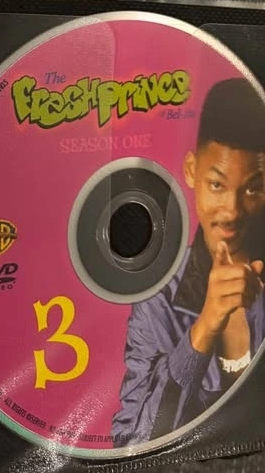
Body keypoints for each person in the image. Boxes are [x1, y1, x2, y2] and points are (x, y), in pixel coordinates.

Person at [112, 78, 265, 446]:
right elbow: (133, 444)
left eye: (252, 188)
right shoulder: (159, 297)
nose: (231, 210)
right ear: (192, 170)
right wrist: (206, 326)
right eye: (217, 185)